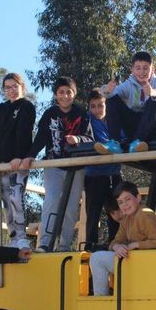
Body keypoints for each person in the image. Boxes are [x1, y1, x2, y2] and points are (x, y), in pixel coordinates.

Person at [19, 76, 93, 252]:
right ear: (55, 95)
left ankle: (64, 245)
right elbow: (41, 138)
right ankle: (45, 242)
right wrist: (30, 155)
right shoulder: (50, 114)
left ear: (74, 94)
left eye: (69, 92)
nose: (65, 96)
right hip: (53, 164)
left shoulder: (81, 113)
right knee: (51, 201)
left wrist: (77, 139)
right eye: (61, 92)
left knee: (71, 206)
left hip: (76, 167)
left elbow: (90, 138)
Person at [0, 73, 36, 248]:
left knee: (16, 198)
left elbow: (24, 133)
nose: (11, 90)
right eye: (7, 87)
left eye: (15, 86)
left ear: (22, 86)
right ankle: (13, 237)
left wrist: (20, 156)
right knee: (6, 201)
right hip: (0, 165)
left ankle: (21, 236)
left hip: (18, 164)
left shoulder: (26, 106)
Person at [89, 182, 156, 296]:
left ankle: (100, 301)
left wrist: (136, 245)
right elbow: (115, 241)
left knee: (97, 259)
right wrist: (117, 247)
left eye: (127, 199)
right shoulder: (127, 219)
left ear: (138, 197)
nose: (124, 205)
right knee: (98, 257)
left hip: (148, 263)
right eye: (120, 202)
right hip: (135, 260)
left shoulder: (144, 214)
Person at [96, 51, 156, 154]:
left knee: (155, 100)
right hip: (136, 128)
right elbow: (114, 93)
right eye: (138, 68)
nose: (142, 72)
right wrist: (107, 90)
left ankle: (138, 142)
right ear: (132, 70)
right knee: (112, 99)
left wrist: (153, 92)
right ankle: (114, 143)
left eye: (145, 68)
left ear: (152, 69)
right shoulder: (129, 84)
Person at [84, 89, 123, 251]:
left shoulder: (114, 121)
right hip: (94, 175)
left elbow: (122, 139)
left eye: (100, 105)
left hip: (113, 173)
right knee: (93, 213)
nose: (97, 110)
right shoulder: (88, 122)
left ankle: (116, 243)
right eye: (93, 106)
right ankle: (90, 246)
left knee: (116, 212)